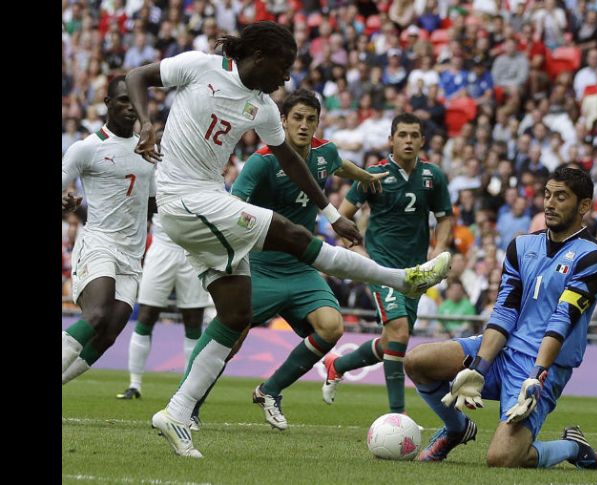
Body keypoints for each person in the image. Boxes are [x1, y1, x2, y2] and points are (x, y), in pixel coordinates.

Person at [125, 22, 450, 458]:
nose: (287, 77)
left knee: (236, 315)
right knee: (290, 232)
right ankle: (402, 279)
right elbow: (136, 76)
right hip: (183, 199)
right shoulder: (198, 66)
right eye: (284, 67)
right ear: (259, 56)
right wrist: (146, 123)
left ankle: (177, 413)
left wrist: (332, 215)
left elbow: (294, 164)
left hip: (205, 202)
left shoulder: (261, 106)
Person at [193, 89, 390, 431]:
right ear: (282, 121)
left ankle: (270, 391)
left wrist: (365, 177)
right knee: (230, 338)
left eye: (310, 119)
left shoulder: (324, 153)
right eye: (297, 118)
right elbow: (234, 203)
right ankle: (188, 405)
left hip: (300, 268)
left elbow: (339, 165)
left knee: (332, 326)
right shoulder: (263, 161)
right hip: (260, 268)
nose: (303, 125)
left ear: (317, 123)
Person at [404, 167, 597, 470]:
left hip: (542, 365)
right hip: (503, 351)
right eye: (547, 195)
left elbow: (562, 320)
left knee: (502, 459)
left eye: (561, 197)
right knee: (417, 361)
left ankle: (572, 447)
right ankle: (457, 428)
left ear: (584, 206)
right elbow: (504, 312)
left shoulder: (592, 257)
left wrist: (537, 375)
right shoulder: (521, 246)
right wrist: (479, 367)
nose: (550, 203)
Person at [322, 112, 453, 417]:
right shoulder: (373, 175)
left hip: (416, 273)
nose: (408, 140)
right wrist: (359, 253)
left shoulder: (432, 176)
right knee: (400, 332)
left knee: (391, 341)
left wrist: (439, 250)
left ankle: (337, 364)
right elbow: (342, 217)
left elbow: (445, 218)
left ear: (422, 140)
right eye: (402, 135)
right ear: (391, 140)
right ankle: (398, 416)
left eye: (414, 135)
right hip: (382, 267)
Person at [61, 76, 157, 384]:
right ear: (108, 104)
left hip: (132, 254)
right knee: (97, 314)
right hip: (99, 242)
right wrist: (65, 203)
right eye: (123, 100)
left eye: (134, 102)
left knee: (108, 333)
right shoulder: (86, 148)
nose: (130, 107)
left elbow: (153, 204)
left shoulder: (148, 149)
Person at [114, 212, 211, 407]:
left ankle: (188, 388)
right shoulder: (156, 188)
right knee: (147, 315)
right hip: (162, 246)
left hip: (194, 248)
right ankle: (134, 384)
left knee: (193, 320)